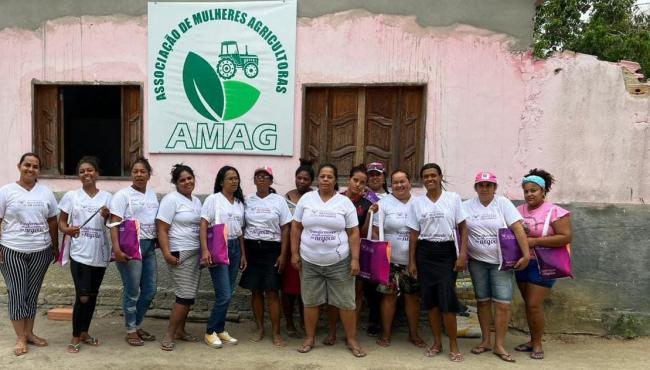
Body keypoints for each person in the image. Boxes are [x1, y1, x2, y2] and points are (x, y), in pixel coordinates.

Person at [291, 163, 366, 357]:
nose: (325, 179)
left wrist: (355, 259)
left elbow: (353, 232)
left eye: (329, 177)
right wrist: (294, 253)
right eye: (322, 176)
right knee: (310, 301)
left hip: (339, 262)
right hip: (309, 260)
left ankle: (351, 339)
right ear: (318, 180)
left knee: (346, 303)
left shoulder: (344, 203)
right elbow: (296, 227)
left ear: (335, 180)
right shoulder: (307, 199)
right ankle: (309, 338)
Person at [462, 171, 530, 363]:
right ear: (476, 188)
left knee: (502, 304)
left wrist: (525, 254)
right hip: (477, 262)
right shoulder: (467, 206)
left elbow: (517, 228)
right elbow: (460, 230)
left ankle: (499, 345)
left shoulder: (503, 204)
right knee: (482, 302)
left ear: (495, 188)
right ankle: (485, 341)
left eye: (488, 185)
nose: (484, 189)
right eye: (481, 185)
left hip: (502, 263)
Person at [407, 163, 468, 362]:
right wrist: (412, 262)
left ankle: (453, 344)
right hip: (425, 253)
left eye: (433, 175)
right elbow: (414, 234)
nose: (429, 179)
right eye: (425, 176)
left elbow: (463, 228)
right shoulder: (417, 203)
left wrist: (462, 255)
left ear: (441, 177)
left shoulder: (453, 199)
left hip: (447, 252)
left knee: (447, 298)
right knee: (431, 300)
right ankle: (437, 343)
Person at [0, 153, 58, 356]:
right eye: (27, 165)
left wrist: (54, 246)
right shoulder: (6, 191)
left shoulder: (45, 192)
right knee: (17, 293)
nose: (30, 169)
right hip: (12, 250)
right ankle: (20, 337)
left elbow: (52, 221)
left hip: (40, 251)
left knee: (31, 294)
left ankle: (30, 333)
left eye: (35, 166)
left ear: (39, 170)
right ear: (19, 166)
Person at [515, 169, 572, 360]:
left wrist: (536, 242)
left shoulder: (555, 212)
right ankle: (532, 340)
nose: (529, 194)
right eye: (526, 191)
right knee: (528, 305)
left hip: (544, 265)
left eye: (534, 190)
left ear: (543, 191)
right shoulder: (519, 211)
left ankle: (538, 344)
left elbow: (565, 237)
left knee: (534, 305)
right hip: (523, 262)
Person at [58, 156, 111, 353]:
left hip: (100, 253)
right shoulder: (71, 196)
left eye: (90, 170)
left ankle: (84, 332)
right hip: (79, 253)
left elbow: (112, 225)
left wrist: (107, 216)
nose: (86, 174)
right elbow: (62, 222)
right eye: (82, 171)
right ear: (78, 175)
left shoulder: (107, 198)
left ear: (97, 173)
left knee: (93, 294)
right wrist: (68, 229)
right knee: (82, 296)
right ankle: (74, 336)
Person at [323, 164, 377, 345]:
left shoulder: (366, 204)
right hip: (335, 252)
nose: (358, 185)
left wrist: (370, 215)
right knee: (333, 294)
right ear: (349, 180)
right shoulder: (336, 199)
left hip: (357, 253)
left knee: (356, 293)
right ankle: (331, 332)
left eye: (362, 182)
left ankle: (349, 334)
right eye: (355, 180)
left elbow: (362, 232)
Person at [110, 157, 159, 346]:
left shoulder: (152, 195)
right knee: (132, 291)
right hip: (130, 247)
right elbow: (114, 223)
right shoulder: (123, 195)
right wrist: (116, 249)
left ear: (148, 175)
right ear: (132, 174)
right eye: (135, 171)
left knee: (150, 290)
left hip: (148, 247)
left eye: (143, 172)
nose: (139, 175)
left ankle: (137, 324)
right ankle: (131, 329)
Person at [373, 170, 425, 348]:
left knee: (412, 298)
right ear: (391, 185)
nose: (399, 185)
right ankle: (386, 334)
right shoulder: (383, 203)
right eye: (395, 182)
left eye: (402, 181)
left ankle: (414, 334)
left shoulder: (419, 203)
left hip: (413, 261)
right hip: (390, 260)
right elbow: (374, 229)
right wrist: (383, 251)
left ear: (410, 183)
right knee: (389, 297)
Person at [240, 166, 292, 347]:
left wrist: (283, 255)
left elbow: (286, 228)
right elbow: (241, 228)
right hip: (252, 248)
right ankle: (260, 327)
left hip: (272, 250)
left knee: (272, 292)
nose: (262, 179)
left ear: (271, 181)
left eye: (265, 177)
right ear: (254, 180)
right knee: (255, 290)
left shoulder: (279, 201)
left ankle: (276, 332)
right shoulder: (247, 201)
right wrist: (243, 255)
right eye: (258, 176)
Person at [156, 164, 203, 351]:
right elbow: (162, 228)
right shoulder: (171, 200)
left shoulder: (196, 201)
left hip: (194, 253)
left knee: (189, 295)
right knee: (184, 296)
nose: (187, 182)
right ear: (176, 183)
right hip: (178, 253)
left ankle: (180, 331)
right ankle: (169, 334)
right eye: (182, 180)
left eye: (189, 178)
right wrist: (166, 253)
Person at [200, 165, 247, 348]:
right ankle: (210, 331)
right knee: (224, 295)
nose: (234, 181)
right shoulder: (213, 199)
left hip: (235, 247)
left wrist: (243, 254)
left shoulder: (239, 202)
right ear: (221, 181)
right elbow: (203, 224)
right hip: (219, 247)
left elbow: (240, 231)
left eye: (236, 178)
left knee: (228, 293)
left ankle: (220, 329)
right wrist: (205, 250)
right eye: (230, 178)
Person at [282, 159, 314, 337]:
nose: (301, 181)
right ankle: (288, 321)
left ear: (311, 181)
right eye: (299, 178)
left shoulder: (315, 198)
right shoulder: (287, 197)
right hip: (290, 249)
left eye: (306, 179)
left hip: (309, 248)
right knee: (288, 289)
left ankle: (305, 321)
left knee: (306, 289)